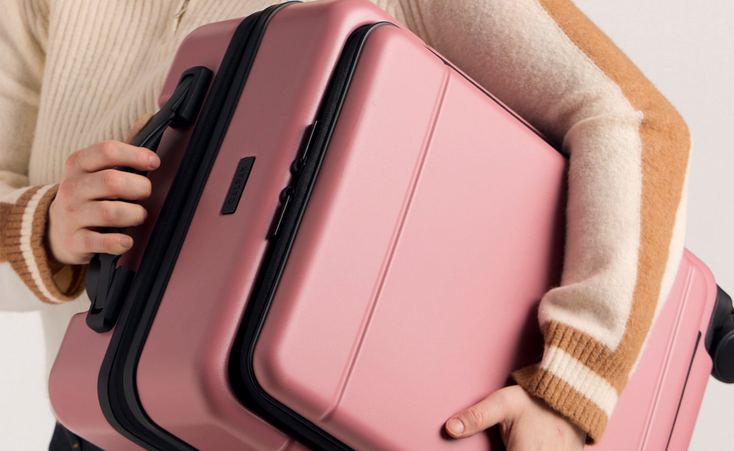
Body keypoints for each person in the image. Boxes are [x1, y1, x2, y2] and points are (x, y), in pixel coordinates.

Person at [0, 0, 691, 450]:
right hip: (112, 422)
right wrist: (50, 227)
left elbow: (633, 122)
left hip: (315, 423)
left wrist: (569, 390)